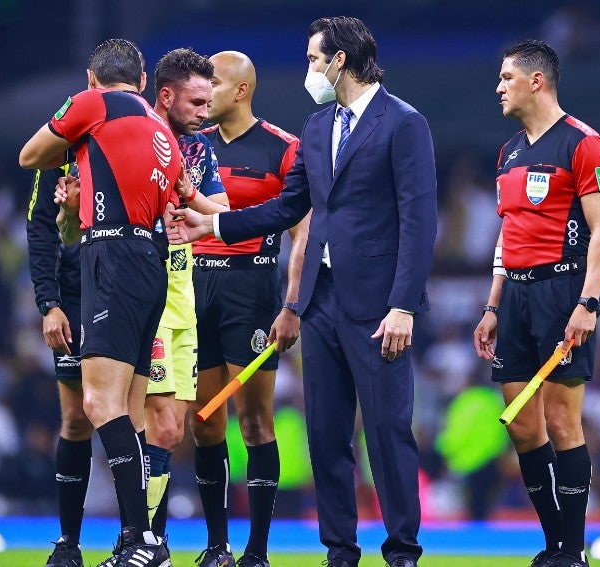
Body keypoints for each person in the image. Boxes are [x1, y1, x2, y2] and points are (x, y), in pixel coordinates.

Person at [168, 19, 437, 567]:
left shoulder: (403, 122)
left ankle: (402, 551)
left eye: (316, 59)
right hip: (321, 299)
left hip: (380, 303)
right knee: (325, 433)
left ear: (340, 61)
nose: (310, 69)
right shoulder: (317, 126)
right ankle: (340, 549)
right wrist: (214, 228)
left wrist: (404, 304)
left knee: (386, 431)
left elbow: (419, 220)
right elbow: (287, 208)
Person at [20, 38, 180, 567]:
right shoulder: (155, 133)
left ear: (92, 81)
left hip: (110, 266)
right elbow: (52, 227)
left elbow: (29, 156)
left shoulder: (92, 114)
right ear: (141, 83)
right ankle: (105, 541)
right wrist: (50, 301)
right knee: (104, 416)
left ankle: (140, 539)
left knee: (99, 407)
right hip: (114, 275)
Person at [472, 40, 600, 567]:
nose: (498, 86)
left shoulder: (585, 145)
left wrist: (589, 302)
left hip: (562, 292)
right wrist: (491, 306)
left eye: (507, 77)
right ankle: (555, 542)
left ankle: (573, 552)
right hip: (514, 294)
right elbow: (506, 234)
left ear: (537, 81)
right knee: (521, 424)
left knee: (560, 420)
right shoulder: (508, 152)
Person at [187, 50, 307, 567]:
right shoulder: (190, 147)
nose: (202, 93)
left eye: (210, 83)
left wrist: (292, 303)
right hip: (194, 287)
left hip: (252, 288)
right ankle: (217, 547)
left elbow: (302, 232)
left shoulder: (284, 149)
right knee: (204, 423)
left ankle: (256, 551)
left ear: (240, 91)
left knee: (255, 422)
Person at [145, 47, 228, 539]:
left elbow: (219, 210)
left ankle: (147, 538)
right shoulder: (139, 138)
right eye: (196, 103)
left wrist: (188, 197)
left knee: (173, 432)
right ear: (166, 95)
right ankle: (143, 537)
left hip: (185, 293)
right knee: (151, 425)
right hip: (148, 292)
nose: (204, 114)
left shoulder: (199, 149)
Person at [26, 158, 94, 567]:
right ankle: (69, 542)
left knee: (141, 418)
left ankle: (141, 540)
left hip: (130, 290)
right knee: (75, 420)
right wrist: (48, 303)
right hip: (75, 296)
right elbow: (40, 225)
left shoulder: (145, 131)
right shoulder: (60, 148)